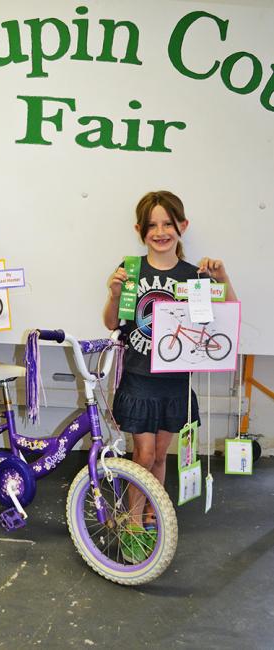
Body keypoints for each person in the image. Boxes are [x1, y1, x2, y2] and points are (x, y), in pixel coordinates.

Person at [103, 190, 237, 559]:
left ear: (182, 226)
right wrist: (114, 293)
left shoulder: (193, 274)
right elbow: (113, 323)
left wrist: (222, 276)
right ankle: (131, 519)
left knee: (161, 454)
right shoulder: (131, 271)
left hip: (176, 381)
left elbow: (227, 318)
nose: (160, 232)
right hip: (139, 376)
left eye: (168, 224)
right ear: (139, 230)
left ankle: (151, 511)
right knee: (142, 454)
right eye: (152, 226)